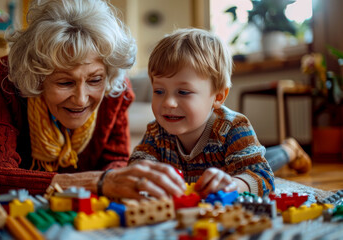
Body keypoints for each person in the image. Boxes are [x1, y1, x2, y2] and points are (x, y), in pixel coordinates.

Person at [0, 0, 184, 199]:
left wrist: (121, 179)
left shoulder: (117, 89)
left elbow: (115, 158)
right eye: (65, 83)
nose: (80, 100)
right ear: (38, 78)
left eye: (95, 80)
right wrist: (97, 182)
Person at [128, 28, 301, 198]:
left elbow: (264, 177)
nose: (168, 102)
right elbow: (137, 164)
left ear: (218, 97)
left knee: (264, 162)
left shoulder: (234, 128)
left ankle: (289, 150)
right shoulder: (156, 131)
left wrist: (233, 184)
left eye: (183, 92)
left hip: (236, 165)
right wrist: (144, 173)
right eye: (159, 91)